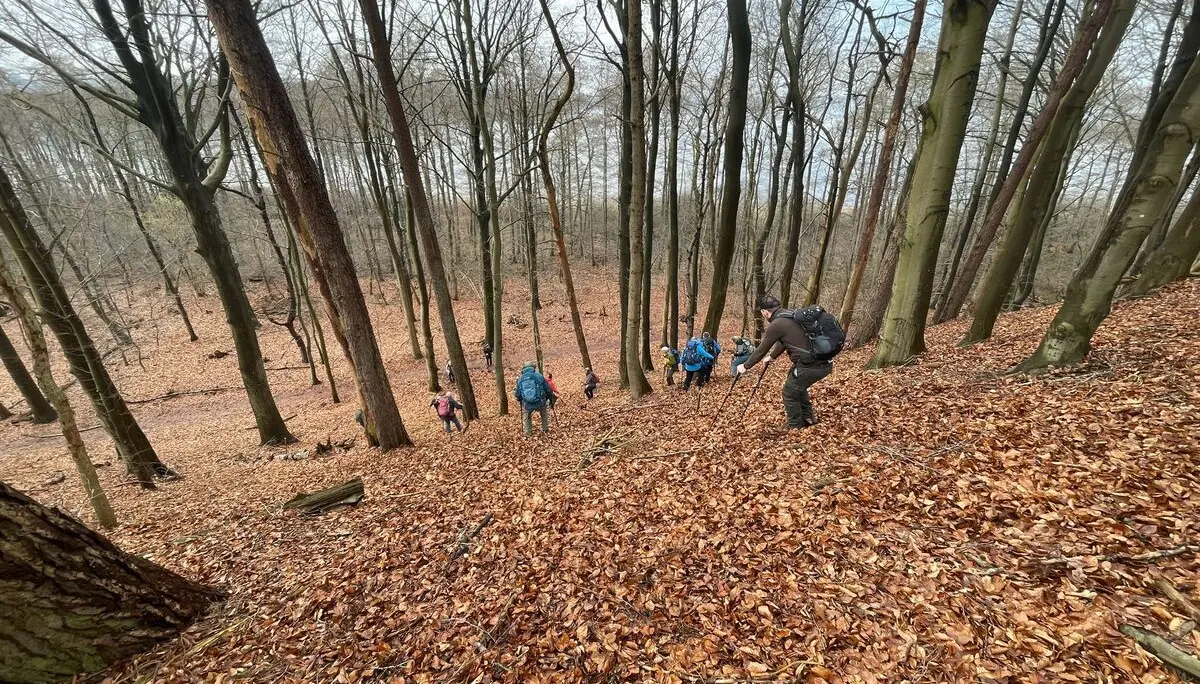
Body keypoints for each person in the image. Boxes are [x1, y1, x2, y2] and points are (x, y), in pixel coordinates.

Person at [736, 294, 833, 430]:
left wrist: (745, 366)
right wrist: (772, 356)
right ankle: (808, 419)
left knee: (789, 393)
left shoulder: (776, 324)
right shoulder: (790, 315)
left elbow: (761, 350)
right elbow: (785, 341)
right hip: (822, 362)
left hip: (811, 366)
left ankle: (795, 426)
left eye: (762, 313)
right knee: (798, 387)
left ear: (765, 312)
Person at [514, 361, 553, 436]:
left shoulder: (521, 378)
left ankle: (528, 432)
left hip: (527, 403)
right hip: (540, 402)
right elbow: (547, 389)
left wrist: (520, 400)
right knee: (544, 414)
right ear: (533, 368)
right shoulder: (539, 376)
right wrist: (549, 397)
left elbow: (518, 393)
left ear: (524, 368)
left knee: (527, 416)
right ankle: (545, 429)